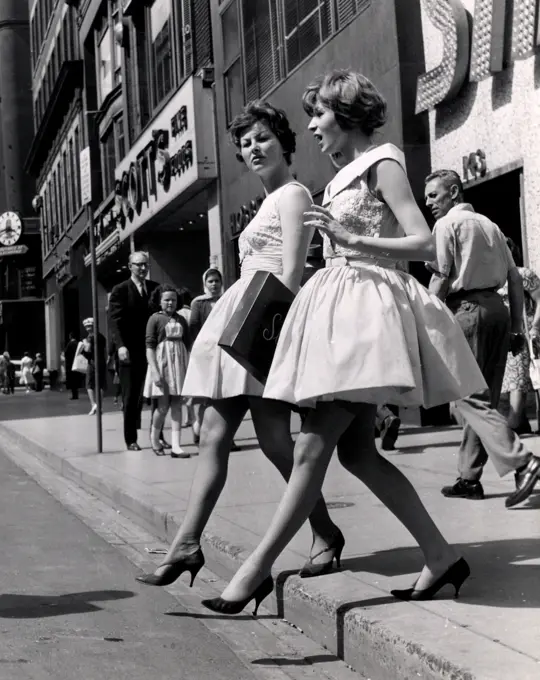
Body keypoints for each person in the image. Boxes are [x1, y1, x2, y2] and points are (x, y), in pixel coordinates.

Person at [201, 70, 489, 615]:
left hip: (365, 315)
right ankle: (441, 556)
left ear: (347, 113)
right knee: (357, 454)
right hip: (339, 310)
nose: (311, 125)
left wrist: (354, 238)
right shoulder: (336, 178)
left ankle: (254, 571)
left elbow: (425, 243)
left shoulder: (383, 161)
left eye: (320, 114)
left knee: (311, 445)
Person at [136, 101, 342, 588]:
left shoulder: (292, 194)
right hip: (242, 320)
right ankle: (187, 544)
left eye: (262, 138)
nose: (253, 149)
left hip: (261, 324)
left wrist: (265, 341)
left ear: (284, 142)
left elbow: (291, 273)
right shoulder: (270, 199)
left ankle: (326, 533)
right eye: (245, 143)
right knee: (213, 434)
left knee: (274, 441)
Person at [425, 170, 540, 506]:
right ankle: (469, 478)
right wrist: (517, 327)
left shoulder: (447, 225)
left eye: (434, 195)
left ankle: (522, 459)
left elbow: (441, 277)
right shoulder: (492, 226)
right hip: (497, 312)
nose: (429, 202)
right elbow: (515, 281)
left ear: (454, 192)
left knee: (465, 397)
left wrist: (427, 320)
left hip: (468, 311)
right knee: (483, 399)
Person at [108, 252, 160, 450]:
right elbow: (114, 322)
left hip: (151, 350)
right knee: (130, 396)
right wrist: (120, 345)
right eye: (138, 265)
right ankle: (131, 439)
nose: (143, 268)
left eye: (145, 264)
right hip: (129, 351)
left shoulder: (155, 288)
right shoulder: (120, 290)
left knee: (157, 395)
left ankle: (158, 436)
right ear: (130, 266)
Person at [189, 269, 239, 451]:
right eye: (210, 281)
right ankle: (200, 432)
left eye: (217, 280)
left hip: (225, 354)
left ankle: (227, 438)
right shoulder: (198, 303)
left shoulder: (228, 300)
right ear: (205, 283)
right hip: (206, 354)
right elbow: (194, 328)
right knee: (205, 397)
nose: (214, 284)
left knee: (226, 397)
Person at [144, 284, 191, 458]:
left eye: (173, 299)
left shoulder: (181, 319)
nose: (170, 303)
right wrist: (155, 371)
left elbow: (187, 344)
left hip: (179, 364)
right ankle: (155, 439)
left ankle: (176, 446)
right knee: (162, 407)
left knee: (177, 405)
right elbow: (149, 347)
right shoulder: (154, 319)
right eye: (166, 300)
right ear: (159, 301)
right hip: (162, 364)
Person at [498, 238, 540, 434]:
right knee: (506, 380)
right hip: (502, 335)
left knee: (517, 379)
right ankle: (520, 421)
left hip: (522, 334)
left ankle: (513, 423)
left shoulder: (523, 274)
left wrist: (535, 327)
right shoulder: (493, 278)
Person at [80, 317, 107, 415]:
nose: (87, 328)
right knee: (101, 385)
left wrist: (82, 350)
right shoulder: (102, 336)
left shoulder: (89, 337)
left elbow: (88, 351)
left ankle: (93, 404)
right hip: (102, 362)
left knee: (89, 384)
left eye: (88, 326)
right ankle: (100, 406)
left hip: (92, 362)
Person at [64, 333, 80, 400]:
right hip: (77, 363)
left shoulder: (69, 344)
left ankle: (74, 395)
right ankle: (76, 394)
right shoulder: (78, 343)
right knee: (76, 380)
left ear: (70, 337)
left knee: (72, 381)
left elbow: (66, 353)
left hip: (71, 364)